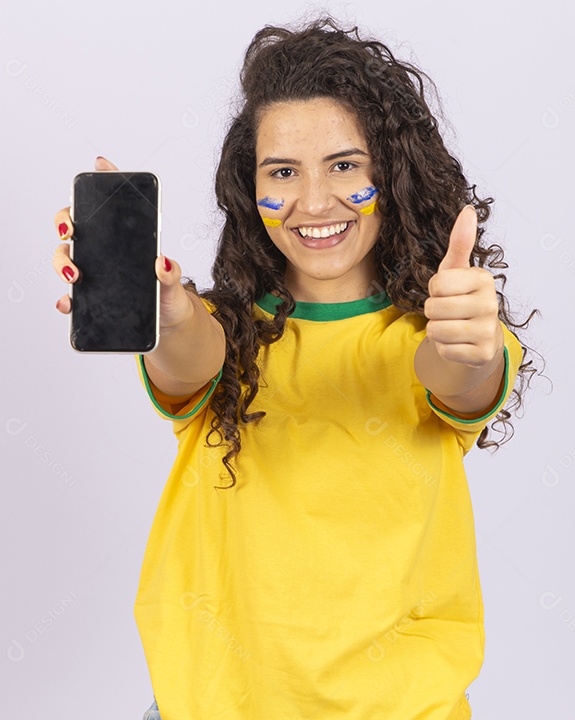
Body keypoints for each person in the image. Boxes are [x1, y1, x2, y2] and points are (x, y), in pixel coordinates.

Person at [52, 15, 540, 720]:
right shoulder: (223, 331)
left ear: (390, 171)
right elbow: (190, 354)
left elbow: (458, 375)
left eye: (345, 165)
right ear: (250, 191)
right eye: (283, 171)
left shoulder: (440, 332)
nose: (313, 202)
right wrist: (166, 306)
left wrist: (470, 341)